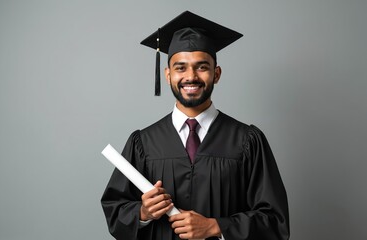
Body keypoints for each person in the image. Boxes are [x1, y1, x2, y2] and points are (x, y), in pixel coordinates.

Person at [101, 11, 290, 240]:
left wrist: (216, 227)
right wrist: (143, 212)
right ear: (168, 75)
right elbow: (115, 211)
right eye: (180, 68)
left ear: (216, 74)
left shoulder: (247, 141)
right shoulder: (143, 143)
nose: (191, 76)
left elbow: (275, 222)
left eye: (202, 67)